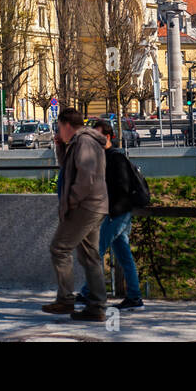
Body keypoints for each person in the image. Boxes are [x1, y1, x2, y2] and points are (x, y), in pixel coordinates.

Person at [42, 108, 109, 320]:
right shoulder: (79, 143)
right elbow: (68, 169)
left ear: (66, 125)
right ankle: (97, 307)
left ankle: (65, 300)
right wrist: (60, 146)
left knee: (59, 249)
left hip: (85, 206)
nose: (58, 131)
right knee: (90, 256)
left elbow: (85, 178)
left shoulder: (84, 142)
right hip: (94, 205)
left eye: (59, 127)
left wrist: (71, 201)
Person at [76, 120, 144, 311]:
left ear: (107, 137)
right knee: (124, 255)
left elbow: (121, 189)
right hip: (116, 213)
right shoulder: (102, 158)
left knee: (96, 251)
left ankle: (87, 293)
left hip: (116, 213)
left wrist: (112, 210)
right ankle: (134, 297)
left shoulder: (115, 158)